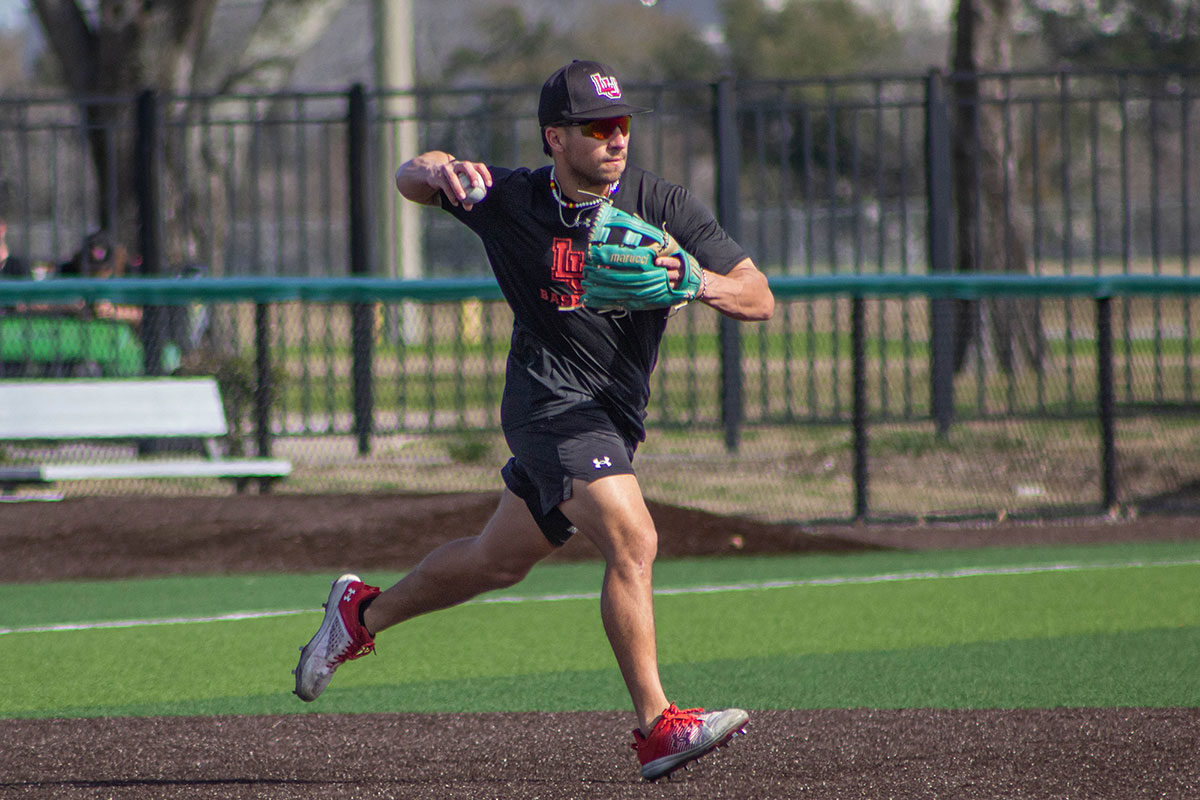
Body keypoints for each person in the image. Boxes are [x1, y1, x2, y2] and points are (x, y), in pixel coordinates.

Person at [293, 59, 775, 782]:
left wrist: (695, 281)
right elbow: (411, 178)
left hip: (612, 413)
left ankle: (358, 618)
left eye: (622, 125)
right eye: (597, 128)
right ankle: (658, 727)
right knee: (633, 536)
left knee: (498, 560)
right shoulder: (512, 198)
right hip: (547, 403)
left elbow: (758, 295)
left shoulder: (660, 204)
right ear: (555, 137)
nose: (616, 140)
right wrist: (437, 167)